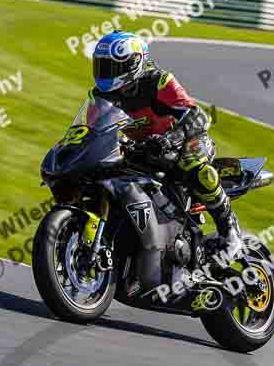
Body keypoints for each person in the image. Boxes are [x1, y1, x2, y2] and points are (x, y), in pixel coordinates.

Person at [90, 31, 242, 260]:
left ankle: (230, 232)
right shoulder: (101, 95)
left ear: (133, 64)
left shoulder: (158, 81)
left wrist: (171, 138)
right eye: (102, 66)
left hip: (184, 143)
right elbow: (95, 128)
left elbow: (197, 115)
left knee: (193, 164)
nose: (104, 74)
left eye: (110, 67)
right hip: (141, 151)